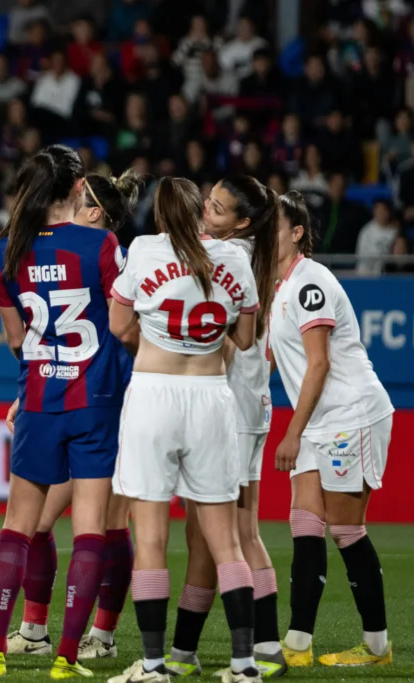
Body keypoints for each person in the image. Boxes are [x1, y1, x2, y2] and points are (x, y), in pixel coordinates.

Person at [0, 149, 130, 679]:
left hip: (39, 398)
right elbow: (125, 325)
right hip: (97, 399)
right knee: (92, 531)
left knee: (17, 527)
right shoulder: (102, 243)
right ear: (80, 186)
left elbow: (16, 339)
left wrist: (43, 368)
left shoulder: (4, 251)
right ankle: (66, 656)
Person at [108, 177, 264, 683]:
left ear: (158, 215)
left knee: (150, 540)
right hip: (212, 399)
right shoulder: (236, 259)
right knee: (227, 543)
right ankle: (244, 665)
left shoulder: (145, 250)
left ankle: (154, 666)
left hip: (154, 394)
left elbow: (117, 325)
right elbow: (244, 338)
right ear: (201, 211)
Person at [163, 176, 284, 678]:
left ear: (242, 222)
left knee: (225, 534)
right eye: (206, 202)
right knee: (217, 533)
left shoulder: (225, 258)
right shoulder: (252, 256)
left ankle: (253, 650)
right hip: (245, 406)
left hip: (229, 411)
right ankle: (197, 651)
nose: (204, 212)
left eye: (215, 208)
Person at [272, 192, 394, 668]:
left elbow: (319, 364)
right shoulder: (279, 285)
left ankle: (378, 648)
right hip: (318, 419)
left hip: (349, 414)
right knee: (304, 522)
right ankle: (297, 646)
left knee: (345, 529)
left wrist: (291, 432)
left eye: (272, 224)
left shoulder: (310, 283)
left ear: (297, 232)